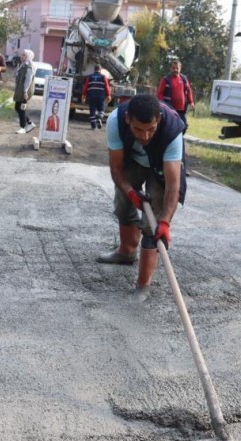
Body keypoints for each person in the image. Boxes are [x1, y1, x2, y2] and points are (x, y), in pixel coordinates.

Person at [96, 94, 187, 297]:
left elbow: (173, 185)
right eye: (138, 129)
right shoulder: (115, 121)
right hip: (133, 161)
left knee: (152, 223)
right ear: (128, 118)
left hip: (160, 167)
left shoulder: (172, 131)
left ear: (159, 120)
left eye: (151, 130)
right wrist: (131, 193)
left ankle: (143, 285)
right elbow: (116, 169)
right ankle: (127, 252)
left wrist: (164, 222)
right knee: (122, 203)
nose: (145, 136)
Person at [156, 59, 195, 130]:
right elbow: (160, 93)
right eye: (173, 68)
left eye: (177, 68)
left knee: (184, 126)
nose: (175, 70)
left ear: (180, 69)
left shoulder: (184, 79)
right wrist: (161, 105)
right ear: (170, 68)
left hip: (181, 109)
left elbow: (189, 90)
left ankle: (180, 138)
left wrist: (191, 102)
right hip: (170, 109)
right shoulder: (165, 79)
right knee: (170, 127)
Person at [13, 49, 37, 134]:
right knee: (17, 107)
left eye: (24, 55)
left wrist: (25, 91)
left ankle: (22, 127)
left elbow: (28, 80)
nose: (21, 56)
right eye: (22, 54)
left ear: (28, 57)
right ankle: (29, 122)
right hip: (21, 90)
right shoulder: (23, 65)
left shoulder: (30, 67)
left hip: (25, 90)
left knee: (21, 108)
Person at [81, 64, 111, 130]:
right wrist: (108, 95)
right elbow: (107, 86)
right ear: (100, 70)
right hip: (101, 96)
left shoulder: (90, 77)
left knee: (92, 111)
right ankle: (99, 118)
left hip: (91, 96)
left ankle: (93, 126)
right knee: (101, 109)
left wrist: (83, 95)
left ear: (94, 69)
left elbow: (85, 87)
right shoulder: (103, 77)